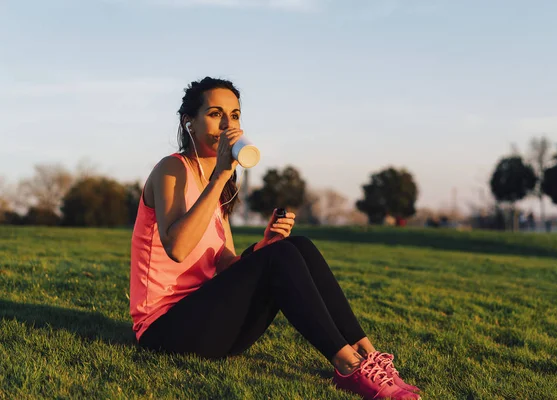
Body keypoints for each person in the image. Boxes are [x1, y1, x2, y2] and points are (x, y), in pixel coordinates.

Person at [129, 77, 421, 400]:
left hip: (210, 321)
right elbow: (178, 248)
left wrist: (263, 246)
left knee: (296, 246)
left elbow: (225, 266)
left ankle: (367, 354)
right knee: (279, 257)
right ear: (189, 124)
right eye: (215, 114)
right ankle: (348, 367)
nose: (228, 125)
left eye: (235, 115)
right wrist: (222, 174)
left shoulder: (218, 187)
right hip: (165, 329)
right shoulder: (171, 171)